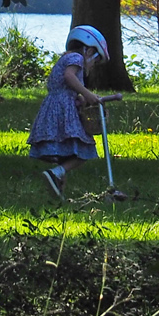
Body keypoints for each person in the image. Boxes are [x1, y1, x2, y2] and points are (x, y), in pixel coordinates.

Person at [28, 25, 109, 201]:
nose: (93, 65)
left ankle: (57, 187)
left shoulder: (67, 58)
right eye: (95, 60)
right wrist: (87, 93)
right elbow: (69, 77)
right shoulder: (76, 58)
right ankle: (56, 172)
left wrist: (81, 98)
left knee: (64, 148)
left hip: (56, 106)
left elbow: (64, 85)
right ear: (89, 50)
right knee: (85, 149)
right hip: (63, 109)